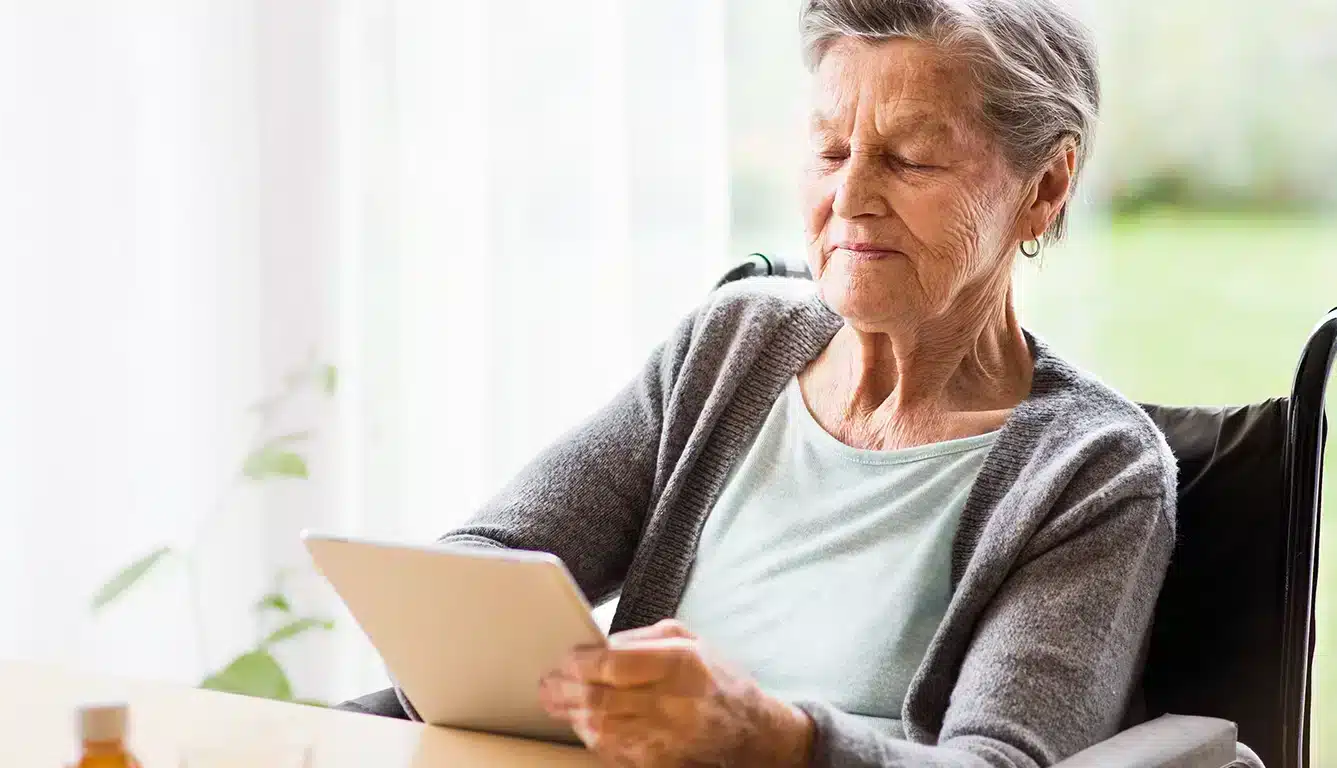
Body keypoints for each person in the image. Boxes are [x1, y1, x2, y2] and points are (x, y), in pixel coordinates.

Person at [343, 1, 1193, 765]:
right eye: (829, 149)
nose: (850, 195)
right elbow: (481, 566)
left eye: (911, 159)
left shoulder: (1095, 472)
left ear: (1045, 186)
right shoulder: (733, 344)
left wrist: (773, 740)